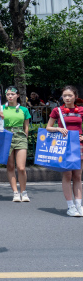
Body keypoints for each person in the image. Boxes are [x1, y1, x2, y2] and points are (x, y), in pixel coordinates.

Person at [46, 86, 83, 217]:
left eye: (70, 95)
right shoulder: (57, 110)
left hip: (79, 145)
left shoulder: (81, 110)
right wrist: (58, 129)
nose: (67, 98)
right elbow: (48, 127)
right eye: (64, 95)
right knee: (67, 175)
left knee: (78, 176)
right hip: (64, 146)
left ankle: (79, 205)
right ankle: (70, 206)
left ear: (75, 96)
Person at [2, 87, 31, 202]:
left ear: (17, 95)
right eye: (8, 94)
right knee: (10, 166)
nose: (10, 96)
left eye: (12, 94)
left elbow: (26, 126)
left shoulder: (24, 109)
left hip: (20, 136)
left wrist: (25, 136)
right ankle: (15, 192)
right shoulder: (1, 108)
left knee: (21, 167)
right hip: (6, 135)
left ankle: (24, 192)